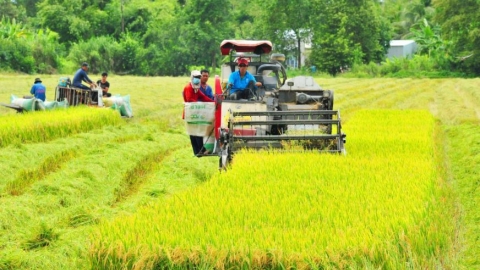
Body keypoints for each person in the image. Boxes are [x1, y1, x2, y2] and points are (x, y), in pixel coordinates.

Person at [183, 70, 214, 157]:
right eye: (196, 78)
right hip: (191, 113)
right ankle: (197, 151)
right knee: (193, 133)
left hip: (197, 113)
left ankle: (201, 150)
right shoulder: (188, 87)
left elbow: (203, 97)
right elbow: (189, 100)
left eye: (198, 78)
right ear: (192, 78)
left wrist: (213, 102)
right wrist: (200, 104)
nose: (197, 79)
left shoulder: (196, 87)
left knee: (199, 131)